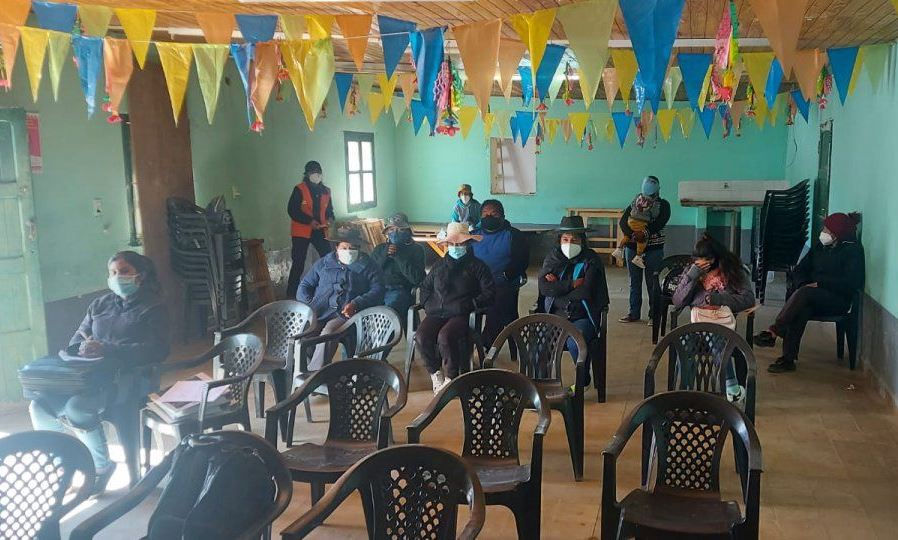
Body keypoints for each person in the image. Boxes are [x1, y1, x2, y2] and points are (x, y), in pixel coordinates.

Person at [29, 251, 170, 494]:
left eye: (124, 271)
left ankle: (101, 468)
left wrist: (108, 349)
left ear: (140, 275)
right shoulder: (100, 304)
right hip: (87, 377)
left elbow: (157, 350)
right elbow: (76, 339)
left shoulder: (153, 307)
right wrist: (82, 347)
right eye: (113, 272)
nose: (117, 277)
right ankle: (66, 464)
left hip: (127, 379)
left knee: (77, 407)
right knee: (39, 407)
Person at [754, 213, 865, 373]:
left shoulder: (853, 251)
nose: (823, 232)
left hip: (837, 299)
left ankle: (775, 330)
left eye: (826, 229)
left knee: (804, 296)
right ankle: (788, 359)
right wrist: (804, 284)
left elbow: (851, 283)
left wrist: (820, 283)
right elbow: (800, 270)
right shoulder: (820, 247)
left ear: (837, 233)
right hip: (812, 296)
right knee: (801, 308)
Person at [673, 234, 756, 401]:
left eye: (705, 260)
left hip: (722, 324)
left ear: (714, 259)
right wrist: (692, 277)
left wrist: (718, 299)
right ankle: (685, 390)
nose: (700, 264)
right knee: (684, 344)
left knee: (716, 337)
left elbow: (748, 299)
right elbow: (678, 300)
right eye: (697, 260)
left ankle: (731, 388)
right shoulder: (692, 271)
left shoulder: (733, 271)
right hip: (697, 323)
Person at [416, 222, 494, 393]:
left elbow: (489, 292)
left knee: (445, 337)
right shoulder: (439, 265)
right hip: (437, 312)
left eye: (459, 244)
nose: (455, 247)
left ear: (467, 244)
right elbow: (425, 287)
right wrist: (428, 304)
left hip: (461, 314)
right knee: (421, 336)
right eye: (452, 243)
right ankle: (435, 373)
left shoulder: (478, 266)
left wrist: (470, 304)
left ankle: (451, 378)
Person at [298, 227, 385, 370]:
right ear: (337, 247)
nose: (348, 251)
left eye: (353, 248)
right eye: (344, 248)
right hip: (320, 311)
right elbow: (305, 285)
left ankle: (315, 374)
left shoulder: (368, 265)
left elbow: (378, 289)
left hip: (347, 314)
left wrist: (356, 303)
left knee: (329, 333)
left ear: (359, 248)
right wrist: (309, 305)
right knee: (304, 334)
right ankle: (302, 370)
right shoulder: (324, 263)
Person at [538, 216, 610, 387]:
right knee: (539, 343)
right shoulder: (552, 258)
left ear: (582, 241)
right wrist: (571, 284)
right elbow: (544, 288)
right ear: (559, 240)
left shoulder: (591, 260)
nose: (569, 243)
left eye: (574, 240)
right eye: (565, 239)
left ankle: (582, 381)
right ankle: (542, 384)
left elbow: (585, 292)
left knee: (575, 343)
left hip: (582, 316)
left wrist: (557, 286)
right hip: (555, 316)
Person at [472, 199, 529, 350]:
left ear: (502, 216)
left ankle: (485, 345)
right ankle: (460, 344)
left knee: (496, 304)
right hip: (476, 284)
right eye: (485, 214)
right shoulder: (473, 236)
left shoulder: (513, 235)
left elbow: (521, 261)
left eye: (494, 214)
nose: (489, 217)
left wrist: (505, 276)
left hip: (503, 283)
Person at [618, 176, 671, 324]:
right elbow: (623, 221)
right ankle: (633, 313)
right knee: (634, 282)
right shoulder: (636, 202)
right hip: (632, 248)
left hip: (654, 249)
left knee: (652, 282)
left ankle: (654, 315)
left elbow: (659, 223)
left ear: (658, 190)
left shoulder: (663, 205)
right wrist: (632, 235)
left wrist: (644, 233)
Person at [286, 160, 335, 300]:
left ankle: (331, 288)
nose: (316, 175)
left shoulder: (326, 191)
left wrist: (330, 219)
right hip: (301, 232)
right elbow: (292, 210)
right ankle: (291, 295)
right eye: (313, 172)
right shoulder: (299, 189)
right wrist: (309, 221)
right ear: (307, 174)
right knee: (298, 262)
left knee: (328, 257)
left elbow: (330, 210)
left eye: (318, 172)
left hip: (320, 230)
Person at [371, 212, 426, 322]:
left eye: (400, 230)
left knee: (388, 310)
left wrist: (398, 256)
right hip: (377, 288)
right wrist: (385, 255)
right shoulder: (380, 249)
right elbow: (371, 272)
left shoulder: (416, 249)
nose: (395, 233)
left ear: (408, 232)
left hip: (400, 290)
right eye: (391, 229)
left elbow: (417, 279)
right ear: (387, 232)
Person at [612, 185, 663, 268]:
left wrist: (630, 234)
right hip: (639, 234)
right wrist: (639, 234)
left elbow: (660, 223)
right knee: (642, 241)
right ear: (657, 190)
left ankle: (619, 249)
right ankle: (638, 256)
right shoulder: (654, 203)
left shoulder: (637, 198)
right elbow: (655, 215)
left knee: (627, 237)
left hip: (652, 248)